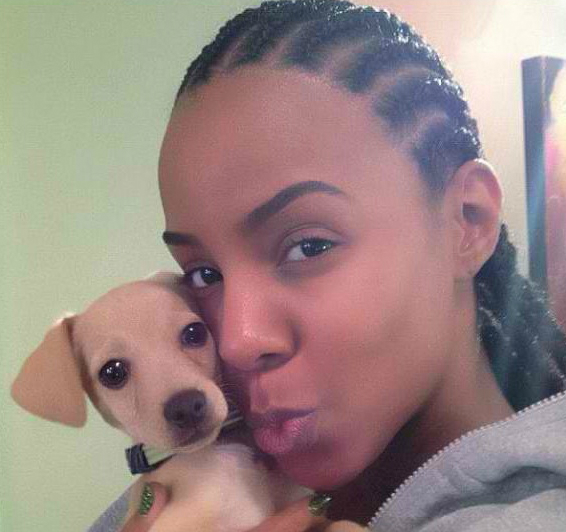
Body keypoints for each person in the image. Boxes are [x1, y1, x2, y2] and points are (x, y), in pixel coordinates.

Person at [90, 1, 566, 530]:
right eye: (205, 275)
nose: (237, 342)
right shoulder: (166, 499)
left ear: (467, 220)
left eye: (309, 246)